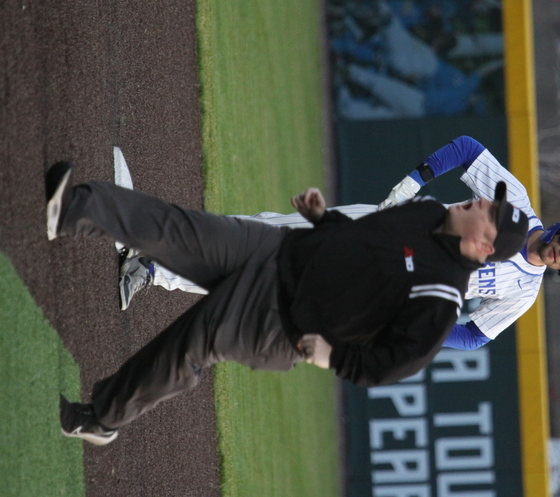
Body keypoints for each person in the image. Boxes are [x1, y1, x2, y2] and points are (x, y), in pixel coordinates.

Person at [46, 160, 528, 445]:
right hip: (276, 250)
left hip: (280, 322)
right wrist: (322, 220)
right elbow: (361, 240)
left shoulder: (442, 298)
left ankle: (102, 418)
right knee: (183, 228)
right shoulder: (425, 212)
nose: (482, 202)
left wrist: (332, 357)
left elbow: (392, 366)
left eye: (491, 214)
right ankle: (73, 208)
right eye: (491, 200)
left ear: (485, 247)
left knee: (185, 345)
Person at [123, 136, 560, 351]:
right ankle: (146, 237)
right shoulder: (518, 205)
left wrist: (421, 328)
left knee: (263, 291)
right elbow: (466, 150)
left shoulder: (523, 293)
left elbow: (475, 337)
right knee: (255, 233)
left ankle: (150, 270)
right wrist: (414, 181)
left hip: (377, 290)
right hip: (383, 228)